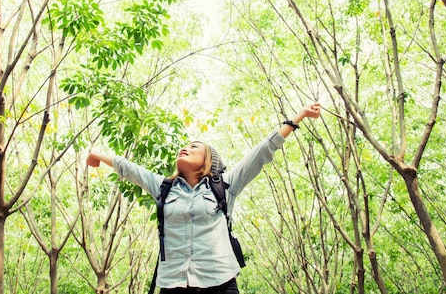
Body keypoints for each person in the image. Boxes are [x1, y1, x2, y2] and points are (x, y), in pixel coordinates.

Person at [86, 103, 322, 294]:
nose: (185, 148)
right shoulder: (163, 187)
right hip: (172, 284)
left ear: (209, 160)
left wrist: (297, 117)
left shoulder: (226, 185)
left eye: (194, 146)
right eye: (185, 146)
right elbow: (131, 170)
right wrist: (98, 155)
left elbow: (261, 152)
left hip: (220, 283)